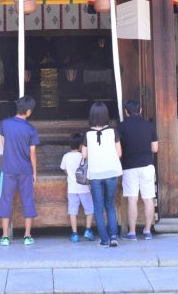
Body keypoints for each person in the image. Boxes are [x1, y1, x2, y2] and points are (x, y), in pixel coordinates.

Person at [0, 96, 39, 246]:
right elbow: (32, 154)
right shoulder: (30, 129)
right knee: (27, 200)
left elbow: (3, 142)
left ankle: (5, 237)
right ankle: (27, 236)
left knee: (6, 200)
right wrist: (34, 172)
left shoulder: (5, 124)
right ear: (28, 111)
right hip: (25, 170)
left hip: (8, 168)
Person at [81, 101, 122, 247]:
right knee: (109, 204)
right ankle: (114, 237)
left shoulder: (88, 134)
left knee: (98, 207)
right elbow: (119, 153)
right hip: (112, 172)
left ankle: (104, 240)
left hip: (96, 174)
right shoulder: (113, 132)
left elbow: (84, 155)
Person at [117, 98, 159, 240]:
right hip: (147, 165)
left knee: (132, 199)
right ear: (140, 110)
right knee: (148, 199)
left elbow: (119, 150)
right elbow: (155, 148)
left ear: (126, 112)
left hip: (129, 166)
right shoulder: (149, 126)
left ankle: (132, 232)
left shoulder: (121, 127)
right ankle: (147, 231)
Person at [60, 133, 95, 243]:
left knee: (73, 211)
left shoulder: (66, 156)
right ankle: (88, 230)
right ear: (81, 145)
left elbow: (64, 169)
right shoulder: (84, 156)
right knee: (89, 209)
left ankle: (74, 234)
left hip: (72, 189)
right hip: (85, 188)